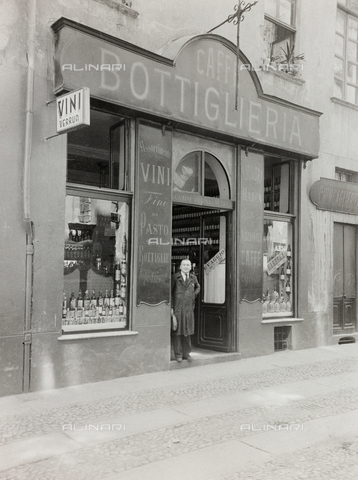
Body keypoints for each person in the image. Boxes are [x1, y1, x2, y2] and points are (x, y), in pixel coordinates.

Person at [171, 259, 200, 362]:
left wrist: (193, 295)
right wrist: (171, 308)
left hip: (189, 309)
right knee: (178, 332)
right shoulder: (175, 277)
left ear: (191, 267)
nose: (186, 267)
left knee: (187, 331)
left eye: (188, 265)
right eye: (184, 265)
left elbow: (198, 287)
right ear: (180, 266)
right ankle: (178, 354)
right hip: (178, 309)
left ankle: (186, 354)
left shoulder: (193, 277)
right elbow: (170, 291)